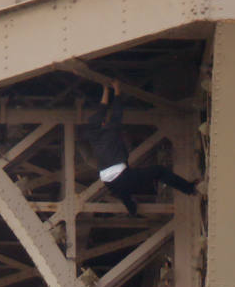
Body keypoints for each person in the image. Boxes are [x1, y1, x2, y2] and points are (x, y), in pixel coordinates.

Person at [84, 80, 200, 215]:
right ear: (103, 123)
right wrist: (115, 89)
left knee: (124, 191)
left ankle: (132, 209)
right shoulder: (111, 129)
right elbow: (116, 110)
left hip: (107, 179)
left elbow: (102, 110)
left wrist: (107, 89)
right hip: (121, 175)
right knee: (159, 171)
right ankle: (189, 188)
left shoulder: (93, 134)